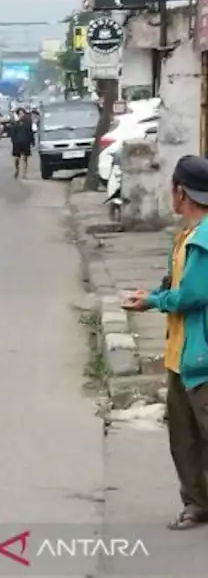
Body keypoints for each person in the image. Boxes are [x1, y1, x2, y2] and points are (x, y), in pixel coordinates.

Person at [122, 156, 208, 531]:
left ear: (180, 192)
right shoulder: (188, 236)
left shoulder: (203, 240)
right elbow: (176, 284)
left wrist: (153, 301)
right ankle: (197, 504)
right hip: (181, 355)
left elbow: (190, 294)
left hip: (201, 357)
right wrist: (155, 293)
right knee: (184, 438)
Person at [7, 106, 36, 179]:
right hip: (17, 143)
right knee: (16, 158)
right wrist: (13, 141)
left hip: (26, 142)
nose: (21, 114)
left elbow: (31, 132)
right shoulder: (14, 123)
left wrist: (32, 141)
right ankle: (17, 169)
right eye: (19, 113)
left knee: (25, 158)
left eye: (22, 113)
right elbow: (12, 133)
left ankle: (24, 173)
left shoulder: (28, 122)